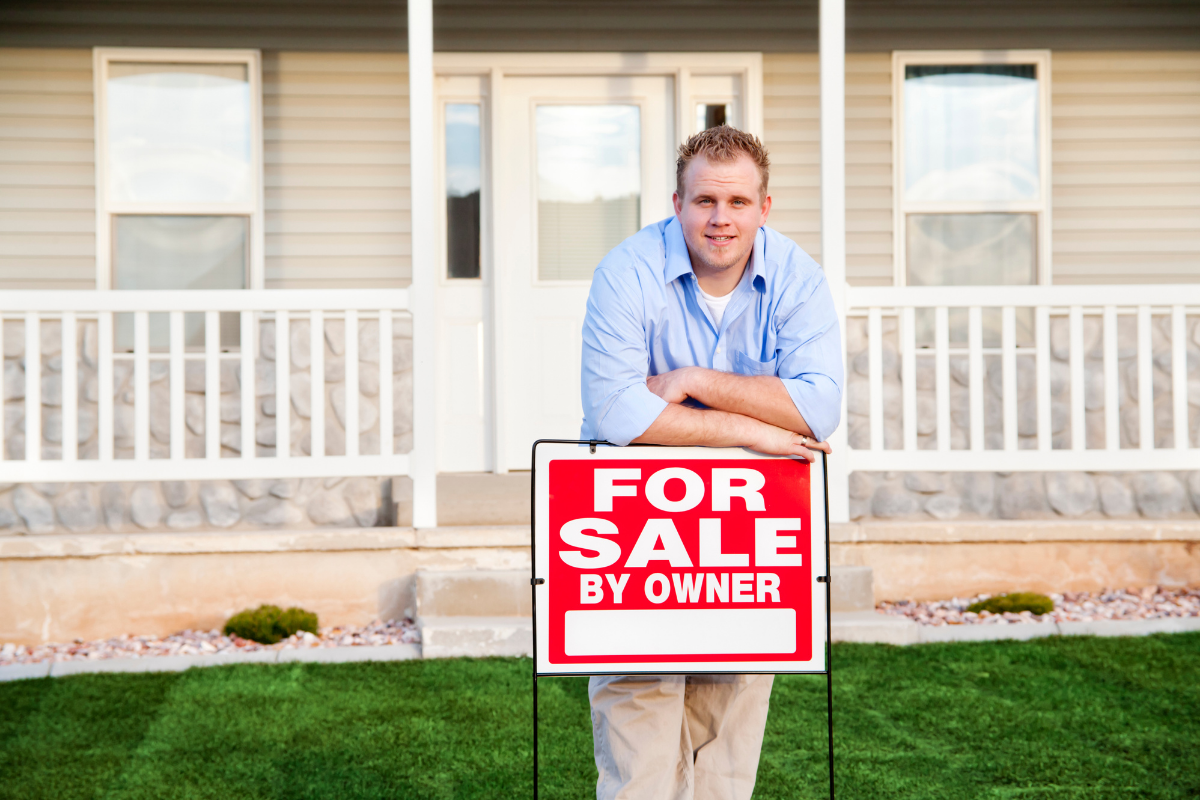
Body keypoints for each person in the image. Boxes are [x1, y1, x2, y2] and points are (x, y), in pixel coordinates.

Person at [578, 125, 844, 800]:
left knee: (726, 746)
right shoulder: (627, 271)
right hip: (635, 526)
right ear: (677, 202)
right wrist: (746, 427)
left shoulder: (796, 278)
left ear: (764, 206)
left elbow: (817, 410)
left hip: (745, 531)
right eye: (704, 201)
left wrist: (691, 378)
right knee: (639, 739)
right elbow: (615, 413)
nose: (720, 218)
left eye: (737, 202)